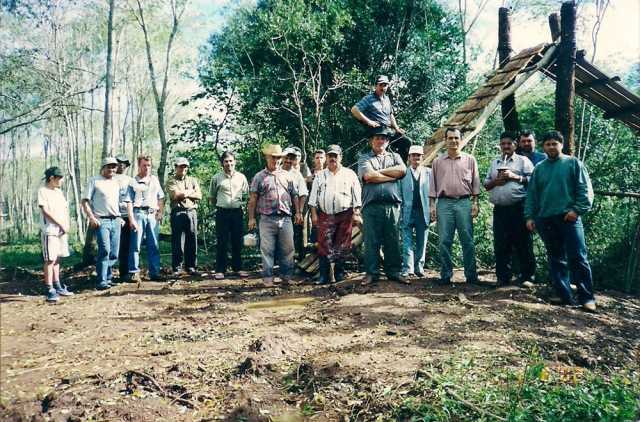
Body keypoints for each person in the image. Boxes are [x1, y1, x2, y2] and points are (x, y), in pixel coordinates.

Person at [525, 130, 596, 312]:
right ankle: (564, 295)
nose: (551, 147)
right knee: (556, 257)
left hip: (569, 217)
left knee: (578, 257)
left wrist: (576, 210)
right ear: (543, 147)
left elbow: (585, 190)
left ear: (561, 145)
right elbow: (532, 195)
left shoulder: (573, 163)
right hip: (546, 218)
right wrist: (530, 216)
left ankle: (587, 298)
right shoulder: (539, 168)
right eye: (548, 144)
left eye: (554, 144)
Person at [429, 128, 480, 286]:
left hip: (464, 202)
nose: (453, 141)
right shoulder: (437, 162)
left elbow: (475, 182)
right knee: (444, 240)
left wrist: (475, 203)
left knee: (467, 240)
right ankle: (446, 275)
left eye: (456, 138)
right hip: (444, 203)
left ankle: (471, 275)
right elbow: (433, 185)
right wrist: (432, 206)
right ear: (445, 140)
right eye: (450, 138)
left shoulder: (470, 159)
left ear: (461, 139)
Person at [484, 132, 536, 287]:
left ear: (515, 144)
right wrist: (496, 181)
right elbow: (486, 185)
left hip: (518, 208)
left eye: (509, 143)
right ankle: (502, 277)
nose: (506, 146)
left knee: (523, 242)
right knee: (501, 243)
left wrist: (515, 177)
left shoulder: (523, 161)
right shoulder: (495, 162)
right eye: (503, 144)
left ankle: (527, 277)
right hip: (500, 209)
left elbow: (534, 180)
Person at [357, 126, 407, 284]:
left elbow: (402, 171)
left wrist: (379, 172)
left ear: (388, 142)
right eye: (377, 138)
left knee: (393, 239)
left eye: (384, 138)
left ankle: (394, 272)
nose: (380, 141)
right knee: (371, 241)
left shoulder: (395, 156)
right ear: (371, 141)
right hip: (371, 206)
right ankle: (371, 273)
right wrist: (391, 177)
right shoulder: (364, 158)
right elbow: (368, 176)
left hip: (392, 206)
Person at [247, 144, 301, 286]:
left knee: (288, 249)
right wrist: (251, 218)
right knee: (267, 250)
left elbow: (295, 195)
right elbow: (253, 199)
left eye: (278, 158)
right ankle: (268, 278)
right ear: (267, 158)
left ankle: (286, 276)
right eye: (273, 157)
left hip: (285, 217)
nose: (275, 160)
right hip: (266, 218)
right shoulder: (259, 177)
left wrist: (298, 212)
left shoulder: (288, 176)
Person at [308, 145, 362, 284]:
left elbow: (357, 195)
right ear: (326, 158)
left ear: (340, 157)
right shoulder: (320, 175)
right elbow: (313, 198)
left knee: (342, 245)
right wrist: (314, 215)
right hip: (325, 214)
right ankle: (324, 276)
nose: (332, 158)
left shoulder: (350, 174)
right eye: (330, 156)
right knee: (323, 245)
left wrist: (356, 212)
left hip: (345, 214)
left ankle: (339, 274)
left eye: (335, 156)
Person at [82, 157, 136, 290]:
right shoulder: (94, 181)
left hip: (116, 220)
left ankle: (108, 277)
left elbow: (120, 201)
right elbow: (84, 201)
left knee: (114, 252)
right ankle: (101, 280)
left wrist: (120, 217)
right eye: (109, 166)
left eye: (114, 167)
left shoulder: (116, 183)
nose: (112, 169)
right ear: (103, 167)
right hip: (102, 220)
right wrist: (91, 217)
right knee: (104, 249)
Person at [209, 151, 249, 280]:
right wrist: (220, 206)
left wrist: (242, 206)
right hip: (222, 213)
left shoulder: (241, 177)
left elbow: (247, 195)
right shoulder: (216, 178)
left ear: (235, 162)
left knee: (237, 240)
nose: (229, 163)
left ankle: (238, 268)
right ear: (222, 163)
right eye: (226, 161)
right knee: (222, 241)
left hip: (237, 212)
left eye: (231, 161)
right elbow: (212, 197)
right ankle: (220, 270)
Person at [38, 166, 73, 302]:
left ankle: (57, 285)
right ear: (52, 178)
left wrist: (66, 225)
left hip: (61, 231)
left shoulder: (59, 192)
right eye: (59, 178)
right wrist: (59, 224)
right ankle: (49, 288)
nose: (61, 181)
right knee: (50, 259)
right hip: (50, 231)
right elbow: (46, 211)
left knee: (57, 258)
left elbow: (64, 210)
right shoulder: (43, 191)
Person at [127, 155, 165, 282]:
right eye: (144, 165)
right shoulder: (133, 181)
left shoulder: (154, 180)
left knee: (153, 244)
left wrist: (160, 212)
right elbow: (129, 201)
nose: (147, 168)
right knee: (135, 245)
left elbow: (161, 197)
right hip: (139, 213)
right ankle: (134, 272)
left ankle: (155, 272)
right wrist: (131, 219)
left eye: (149, 165)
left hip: (152, 215)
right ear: (139, 166)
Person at [166, 157, 202, 275]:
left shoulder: (192, 180)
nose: (183, 169)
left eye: (185, 166)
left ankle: (191, 266)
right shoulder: (171, 181)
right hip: (178, 212)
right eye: (180, 166)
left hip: (191, 212)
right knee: (177, 241)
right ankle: (177, 267)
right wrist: (191, 191)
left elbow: (199, 195)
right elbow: (176, 195)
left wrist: (185, 193)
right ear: (176, 167)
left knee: (192, 239)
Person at [400, 145, 431, 279]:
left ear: (422, 157)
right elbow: (399, 195)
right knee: (406, 240)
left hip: (423, 212)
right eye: (413, 155)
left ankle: (419, 267)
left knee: (422, 240)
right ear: (409, 157)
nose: (416, 158)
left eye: (418, 155)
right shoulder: (403, 174)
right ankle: (408, 268)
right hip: (407, 211)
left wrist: (433, 209)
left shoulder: (429, 173)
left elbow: (433, 193)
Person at [282, 146, 309, 261]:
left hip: (294, 209)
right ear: (282, 158)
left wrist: (299, 212)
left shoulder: (297, 174)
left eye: (291, 158)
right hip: (278, 210)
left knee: (297, 235)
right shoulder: (276, 171)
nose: (288, 161)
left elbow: (303, 193)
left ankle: (298, 261)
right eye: (286, 158)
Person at [115, 155, 135, 281]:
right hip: (113, 215)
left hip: (128, 216)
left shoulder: (130, 180)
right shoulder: (109, 179)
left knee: (126, 245)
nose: (121, 165)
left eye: (124, 163)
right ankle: (106, 275)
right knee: (111, 246)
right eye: (119, 163)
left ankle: (124, 273)